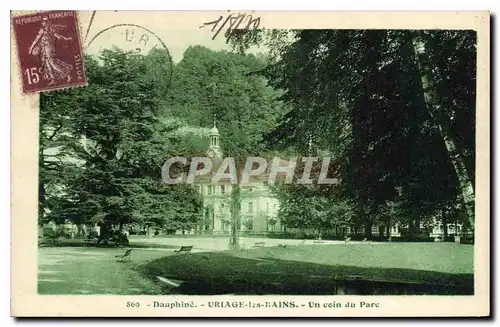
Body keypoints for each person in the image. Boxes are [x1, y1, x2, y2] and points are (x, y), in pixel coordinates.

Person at [28, 16, 73, 85]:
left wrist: (66, 39)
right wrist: (31, 48)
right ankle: (54, 79)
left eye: (45, 21)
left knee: (53, 63)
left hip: (50, 49)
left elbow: (58, 36)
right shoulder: (42, 30)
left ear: (47, 22)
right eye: (43, 22)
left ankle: (67, 74)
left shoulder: (51, 29)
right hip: (44, 50)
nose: (43, 23)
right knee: (48, 64)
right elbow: (36, 40)